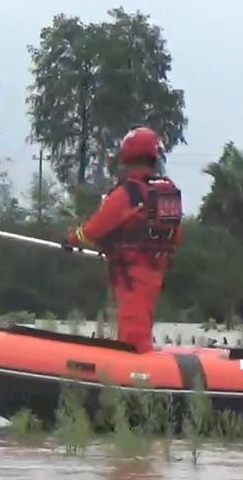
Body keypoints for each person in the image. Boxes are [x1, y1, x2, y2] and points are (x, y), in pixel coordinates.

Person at [66, 126, 182, 353]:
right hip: (156, 268)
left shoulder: (127, 194)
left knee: (133, 330)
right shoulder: (165, 192)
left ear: (127, 156)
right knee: (141, 321)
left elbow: (95, 229)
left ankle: (136, 374)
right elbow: (176, 236)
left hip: (131, 272)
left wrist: (72, 239)